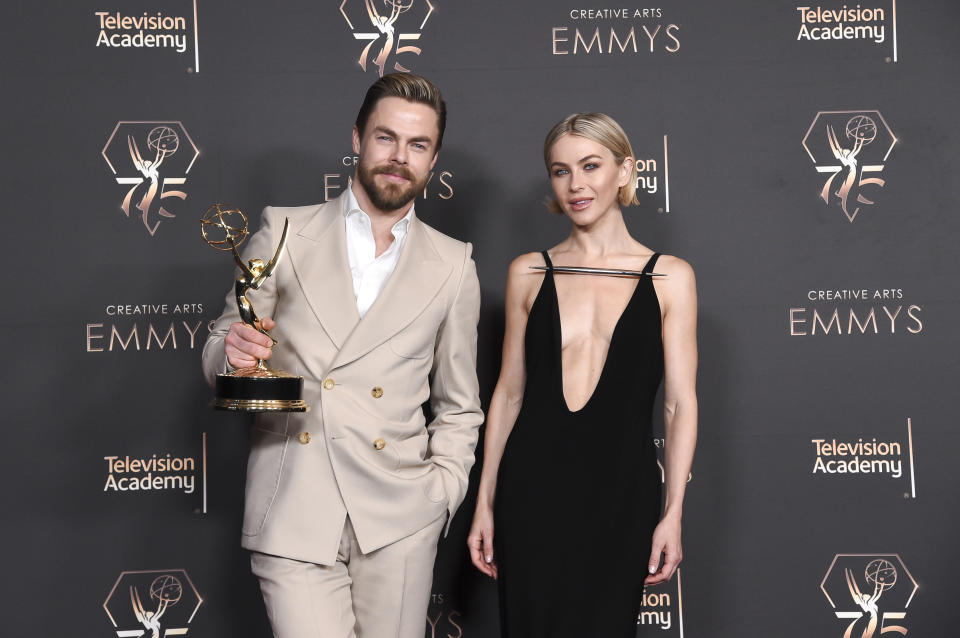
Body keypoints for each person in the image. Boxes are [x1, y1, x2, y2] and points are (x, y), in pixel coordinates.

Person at [202, 73, 483, 638]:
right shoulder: (283, 231)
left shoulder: (454, 266)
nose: (398, 157)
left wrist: (442, 492)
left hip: (400, 517)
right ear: (357, 138)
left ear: (433, 160)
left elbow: (459, 404)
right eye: (385, 138)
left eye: (417, 145)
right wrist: (232, 355)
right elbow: (222, 347)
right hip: (296, 505)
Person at [466, 113, 698, 637]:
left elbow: (680, 403)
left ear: (625, 170)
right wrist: (484, 501)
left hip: (621, 492)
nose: (576, 185)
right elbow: (507, 394)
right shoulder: (528, 271)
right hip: (532, 491)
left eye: (590, 166)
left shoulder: (671, 277)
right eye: (560, 170)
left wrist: (674, 511)